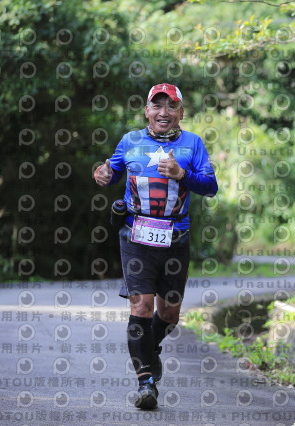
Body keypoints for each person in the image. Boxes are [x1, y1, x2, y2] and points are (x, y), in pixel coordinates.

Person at [93, 83, 218, 410]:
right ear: (147, 111)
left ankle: (151, 347)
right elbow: (110, 172)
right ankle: (145, 383)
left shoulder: (193, 144)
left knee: (170, 313)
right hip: (135, 235)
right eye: (157, 106)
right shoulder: (130, 141)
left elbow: (210, 186)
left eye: (171, 106)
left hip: (176, 238)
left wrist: (182, 174)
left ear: (181, 112)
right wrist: (102, 174)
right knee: (141, 307)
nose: (164, 112)